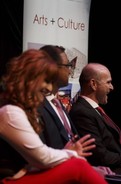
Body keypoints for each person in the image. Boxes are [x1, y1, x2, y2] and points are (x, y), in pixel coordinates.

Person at [0, 49, 107, 184]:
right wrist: (72, 154)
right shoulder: (10, 112)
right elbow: (42, 158)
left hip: (28, 174)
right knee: (78, 167)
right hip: (11, 180)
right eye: (46, 81)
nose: (49, 88)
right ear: (30, 77)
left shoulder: (21, 110)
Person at [38, 45, 115, 177]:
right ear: (52, 68)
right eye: (68, 65)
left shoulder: (58, 105)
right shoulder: (38, 107)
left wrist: (91, 169)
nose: (70, 71)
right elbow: (44, 155)